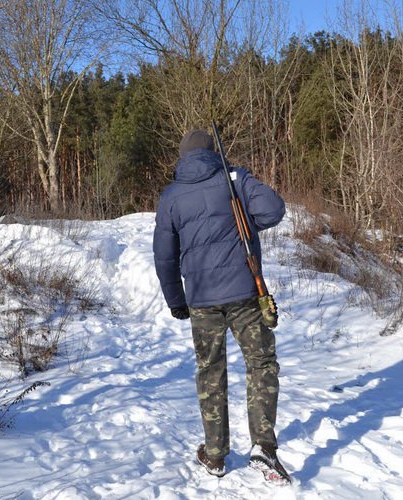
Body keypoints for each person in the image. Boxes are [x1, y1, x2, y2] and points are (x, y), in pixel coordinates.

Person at [152, 128, 290, 483]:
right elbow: (273, 210)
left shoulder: (171, 196)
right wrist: (245, 215)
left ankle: (215, 456)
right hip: (245, 292)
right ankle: (263, 446)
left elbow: (164, 257)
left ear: (182, 157)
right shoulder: (233, 179)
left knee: (210, 371)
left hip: (201, 299)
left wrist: (176, 300)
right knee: (261, 363)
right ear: (212, 152)